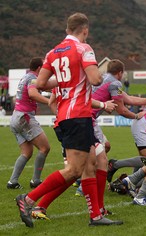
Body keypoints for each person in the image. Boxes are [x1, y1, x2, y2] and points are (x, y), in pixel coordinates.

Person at [15, 12, 122, 227]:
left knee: (92, 163)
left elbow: (41, 84)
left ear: (67, 30)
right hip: (78, 115)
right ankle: (28, 199)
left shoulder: (53, 52)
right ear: (85, 30)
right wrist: (95, 75)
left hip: (66, 115)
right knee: (74, 170)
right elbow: (94, 78)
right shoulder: (84, 48)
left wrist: (66, 81)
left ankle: (96, 216)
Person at [7, 57, 50, 190]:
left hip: (15, 117)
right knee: (45, 148)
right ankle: (36, 180)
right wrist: (49, 102)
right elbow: (32, 93)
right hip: (24, 117)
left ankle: (12, 182)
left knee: (26, 152)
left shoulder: (25, 77)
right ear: (39, 68)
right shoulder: (32, 78)